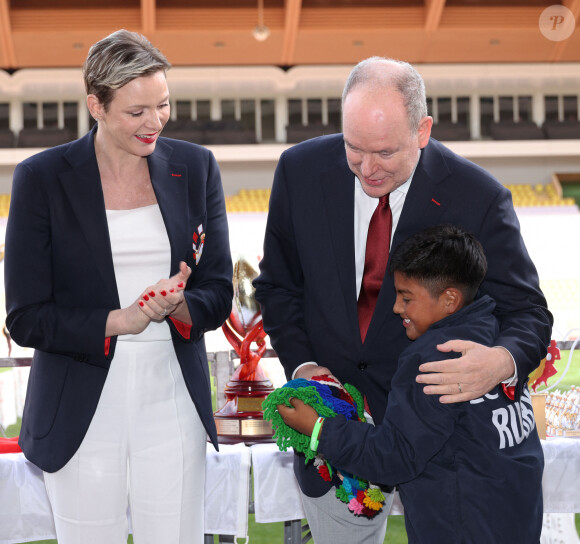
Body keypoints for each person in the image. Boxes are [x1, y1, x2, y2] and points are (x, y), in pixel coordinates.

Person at [253, 56, 552, 543]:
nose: (367, 169)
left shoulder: (478, 196)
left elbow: (528, 312)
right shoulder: (299, 171)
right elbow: (279, 288)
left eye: (385, 152)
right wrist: (304, 365)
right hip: (336, 434)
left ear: (423, 130)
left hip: (443, 445)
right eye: (353, 148)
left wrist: (500, 360)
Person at [4, 29, 233, 544]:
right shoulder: (40, 178)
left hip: (172, 400)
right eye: (136, 112)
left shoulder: (196, 168)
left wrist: (180, 307)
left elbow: (218, 290)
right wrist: (119, 321)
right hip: (80, 405)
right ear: (96, 106)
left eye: (163, 106)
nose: (154, 123)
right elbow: (24, 316)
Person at [277, 224, 544, 543]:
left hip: (460, 529)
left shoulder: (431, 360)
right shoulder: (496, 339)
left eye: (406, 298)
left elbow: (394, 457)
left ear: (449, 300)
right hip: (516, 521)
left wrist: (319, 429)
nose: (396, 308)